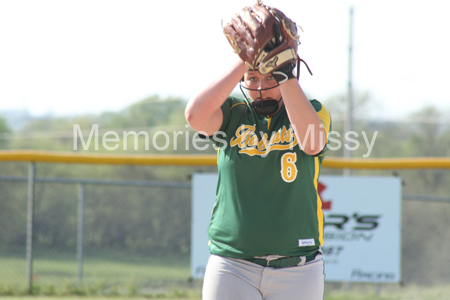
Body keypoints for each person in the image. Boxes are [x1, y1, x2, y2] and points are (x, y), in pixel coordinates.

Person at [185, 4, 331, 299]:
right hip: (232, 264)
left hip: (298, 267)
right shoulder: (233, 113)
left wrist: (284, 73)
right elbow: (195, 116)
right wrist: (245, 57)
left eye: (269, 78)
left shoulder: (312, 111)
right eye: (252, 78)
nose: (261, 86)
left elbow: (312, 143)